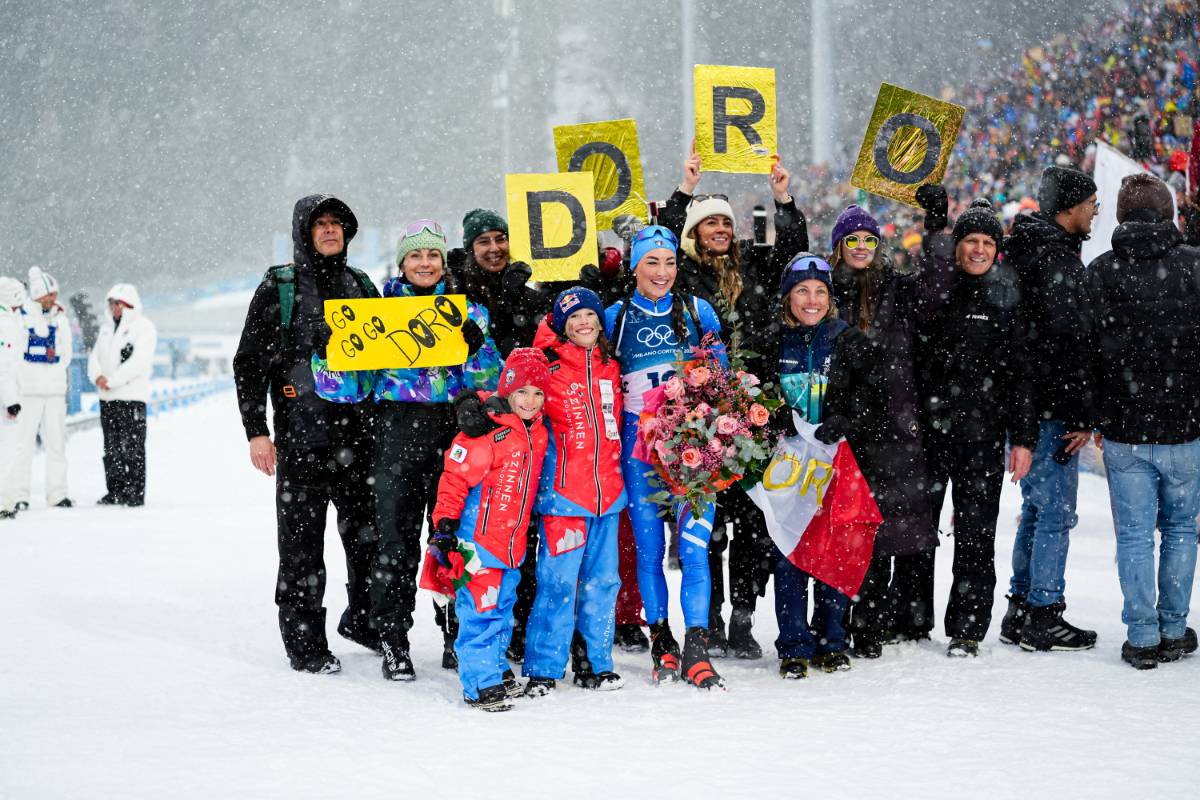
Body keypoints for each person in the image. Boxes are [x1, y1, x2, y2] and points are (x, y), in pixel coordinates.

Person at [657, 147, 810, 659]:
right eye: (710, 223)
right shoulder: (682, 276)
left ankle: (743, 618)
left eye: (726, 221)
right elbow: (661, 243)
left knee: (752, 526)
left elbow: (793, 249)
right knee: (709, 527)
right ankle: (712, 618)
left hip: (755, 414)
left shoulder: (756, 267)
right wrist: (684, 191)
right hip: (702, 416)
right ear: (695, 233)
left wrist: (782, 199)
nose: (720, 229)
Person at [232, 194, 378, 674]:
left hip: (359, 439)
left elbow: (393, 358)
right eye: (321, 224)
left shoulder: (362, 285)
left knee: (369, 542)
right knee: (301, 548)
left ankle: (364, 620)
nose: (330, 230)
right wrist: (257, 431)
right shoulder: (280, 287)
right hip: (301, 440)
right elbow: (249, 363)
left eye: (337, 223)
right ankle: (305, 643)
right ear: (304, 232)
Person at [352, 219, 500, 681]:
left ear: (443, 260)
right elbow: (351, 387)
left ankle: (456, 635)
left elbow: (491, 381)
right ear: (402, 263)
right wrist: (326, 354)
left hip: (451, 434)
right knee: (394, 543)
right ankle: (393, 640)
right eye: (415, 255)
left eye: (433, 254)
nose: (425, 263)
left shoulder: (468, 311)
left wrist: (478, 348)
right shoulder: (377, 314)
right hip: (396, 434)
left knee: (451, 538)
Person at [826, 192, 955, 657]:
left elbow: (937, 288)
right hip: (839, 423)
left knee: (881, 530)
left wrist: (936, 229)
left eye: (869, 239)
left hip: (893, 424)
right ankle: (834, 621)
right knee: (841, 527)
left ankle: (869, 624)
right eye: (853, 239)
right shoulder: (823, 289)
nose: (861, 247)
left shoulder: (896, 288)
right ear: (838, 246)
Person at [1084, 173, 1200, 669]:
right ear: (1169, 213)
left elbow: (1087, 353)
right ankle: (1173, 626)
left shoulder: (1101, 271)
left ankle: (1143, 634)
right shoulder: (1194, 265)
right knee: (1181, 530)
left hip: (1125, 427)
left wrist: (1095, 414)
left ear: (1121, 215)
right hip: (1185, 425)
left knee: (1134, 535)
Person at [913, 200, 1038, 657]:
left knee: (976, 535)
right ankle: (912, 618)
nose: (979, 249)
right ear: (957, 246)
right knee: (918, 531)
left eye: (987, 242)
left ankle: (967, 627)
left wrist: (1023, 439)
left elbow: (1022, 374)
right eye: (971, 241)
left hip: (981, 436)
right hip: (929, 432)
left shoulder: (1008, 297)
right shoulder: (937, 290)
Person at [605, 225, 727, 689]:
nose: (662, 272)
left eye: (670, 262)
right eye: (651, 262)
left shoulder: (697, 310)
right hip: (638, 449)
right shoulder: (616, 316)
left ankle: (697, 644)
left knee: (694, 550)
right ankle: (662, 640)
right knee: (650, 550)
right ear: (634, 266)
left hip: (690, 444)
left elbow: (722, 376)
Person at [765, 252, 882, 677]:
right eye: (802, 291)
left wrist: (846, 419)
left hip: (836, 463)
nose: (812, 300)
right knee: (789, 551)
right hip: (788, 465)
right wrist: (771, 415)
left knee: (835, 546)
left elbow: (874, 397)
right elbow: (754, 391)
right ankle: (794, 644)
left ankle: (832, 640)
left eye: (820, 292)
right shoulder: (772, 340)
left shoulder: (848, 339)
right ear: (787, 297)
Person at [1002, 165, 1100, 652]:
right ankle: (1043, 612)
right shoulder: (1056, 260)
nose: (1095, 213)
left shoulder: (1028, 249)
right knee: (1055, 513)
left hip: (1028, 404)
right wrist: (1081, 413)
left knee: (1037, 509)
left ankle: (1020, 608)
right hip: (1050, 408)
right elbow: (1069, 343)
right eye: (1091, 205)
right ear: (1069, 209)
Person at [517, 287, 626, 696]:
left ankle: (595, 662)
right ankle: (544, 667)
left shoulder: (611, 366)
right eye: (574, 317)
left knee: (604, 583)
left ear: (600, 321)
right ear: (562, 326)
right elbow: (514, 398)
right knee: (558, 583)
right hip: (564, 497)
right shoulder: (547, 366)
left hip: (608, 496)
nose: (583, 323)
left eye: (590, 315)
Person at [430, 348, 551, 711]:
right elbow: (454, 477)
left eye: (538, 393)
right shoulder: (486, 430)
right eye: (522, 392)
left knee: (501, 610)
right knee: (479, 613)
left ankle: (495, 669)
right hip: (477, 543)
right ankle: (479, 683)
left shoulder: (538, 432)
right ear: (508, 391)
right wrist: (445, 525)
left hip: (511, 545)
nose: (530, 401)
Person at [1, 267, 73, 514]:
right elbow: (14, 354)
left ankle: (58, 493)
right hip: (28, 391)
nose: (53, 298)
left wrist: (52, 373)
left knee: (57, 444)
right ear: (38, 294)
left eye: (55, 294)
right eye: (49, 294)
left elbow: (66, 353)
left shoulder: (60, 319)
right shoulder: (21, 318)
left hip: (54, 391)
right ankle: (20, 494)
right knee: (22, 445)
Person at [88, 282, 157, 509]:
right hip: (107, 399)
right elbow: (94, 357)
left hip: (131, 397)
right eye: (111, 303)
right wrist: (97, 377)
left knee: (133, 447)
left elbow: (139, 362)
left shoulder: (144, 328)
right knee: (111, 447)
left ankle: (135, 492)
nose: (114, 307)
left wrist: (112, 381)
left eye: (118, 303)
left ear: (129, 304)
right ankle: (115, 490)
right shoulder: (106, 329)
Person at [0, 277, 25, 520]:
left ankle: (6, 501)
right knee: (7, 451)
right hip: (4, 400)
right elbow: (4, 365)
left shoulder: (9, 320)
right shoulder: (5, 323)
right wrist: (11, 400)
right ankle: (3, 502)